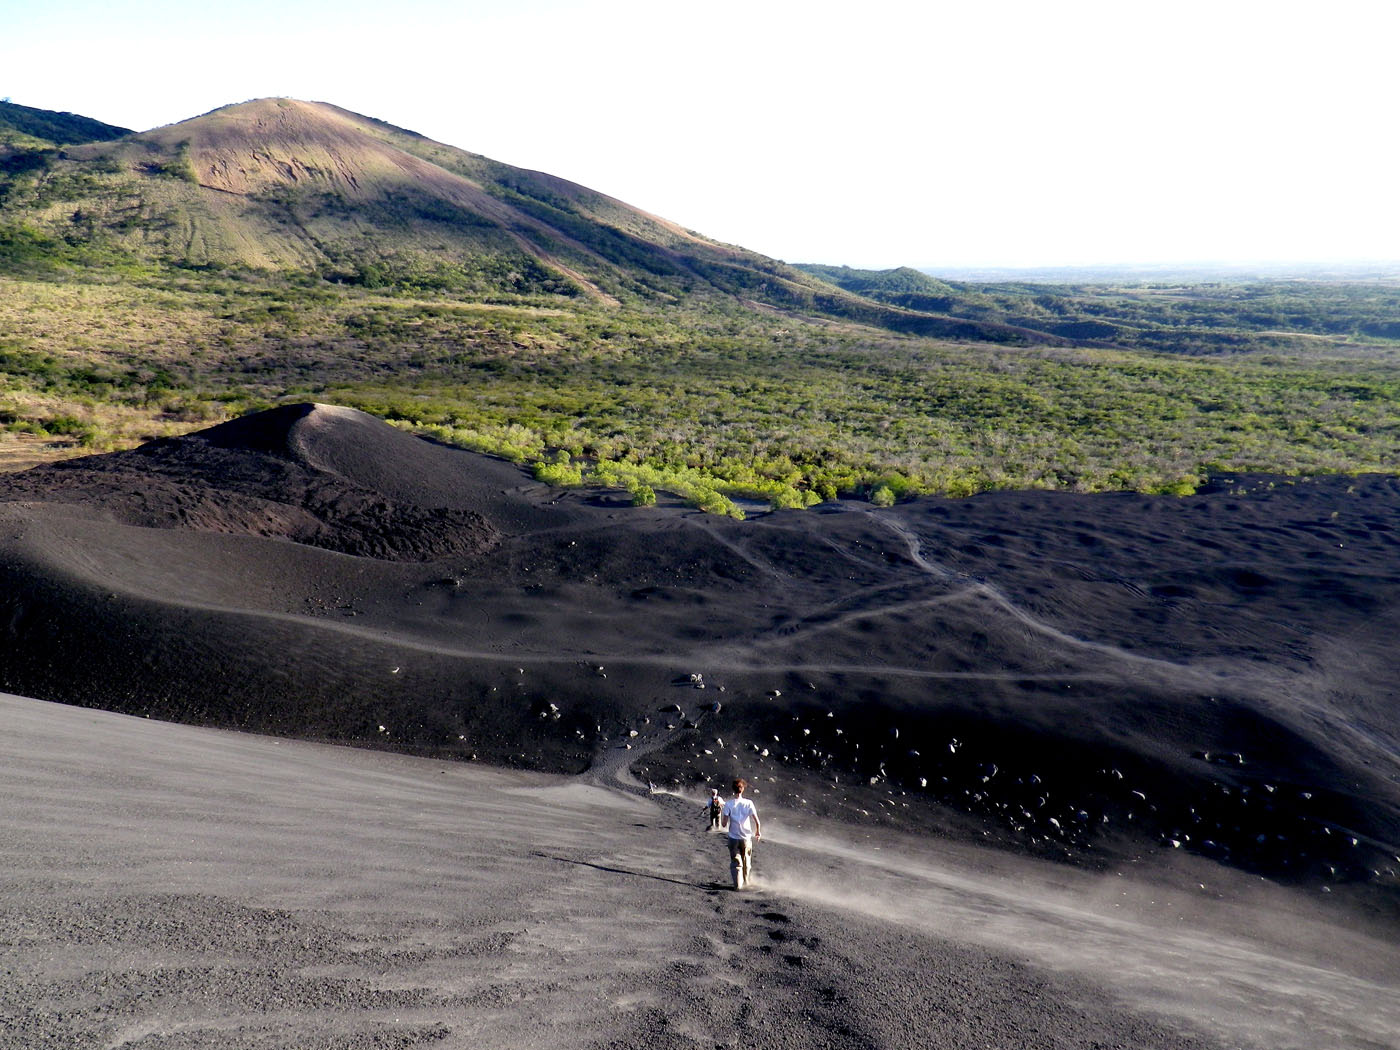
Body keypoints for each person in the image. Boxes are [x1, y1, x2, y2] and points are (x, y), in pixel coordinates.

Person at [720, 777, 760, 889]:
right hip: (746, 837)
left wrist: (724, 814)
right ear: (742, 789)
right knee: (746, 860)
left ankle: (738, 885)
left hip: (733, 837)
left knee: (736, 860)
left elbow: (723, 824)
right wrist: (758, 831)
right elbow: (756, 820)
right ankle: (746, 881)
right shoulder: (749, 803)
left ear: (733, 790)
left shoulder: (728, 804)